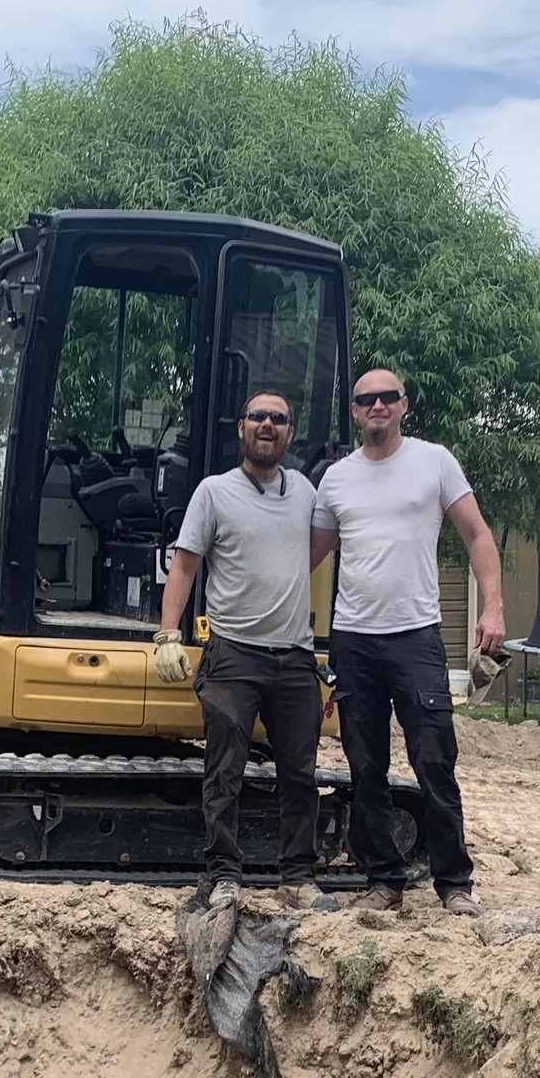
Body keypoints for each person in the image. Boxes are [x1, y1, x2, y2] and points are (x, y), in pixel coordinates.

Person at [311, 367, 505, 916]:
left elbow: (477, 533)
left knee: (433, 758)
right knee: (365, 764)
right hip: (353, 640)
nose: (377, 406)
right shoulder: (336, 479)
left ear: (404, 405)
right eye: (365, 399)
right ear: (354, 411)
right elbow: (311, 554)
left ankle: (454, 884)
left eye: (387, 398)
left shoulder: (433, 461)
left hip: (416, 637)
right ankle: (384, 880)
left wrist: (493, 606)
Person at [155, 391, 337, 914]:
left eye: (278, 419)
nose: (267, 425)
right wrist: (169, 633)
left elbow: (318, 547)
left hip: (295, 657)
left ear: (288, 433)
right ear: (241, 428)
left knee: (301, 773)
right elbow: (185, 565)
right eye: (258, 416)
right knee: (225, 769)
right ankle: (223, 876)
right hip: (234, 654)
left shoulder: (303, 491)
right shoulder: (214, 493)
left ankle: (297, 878)